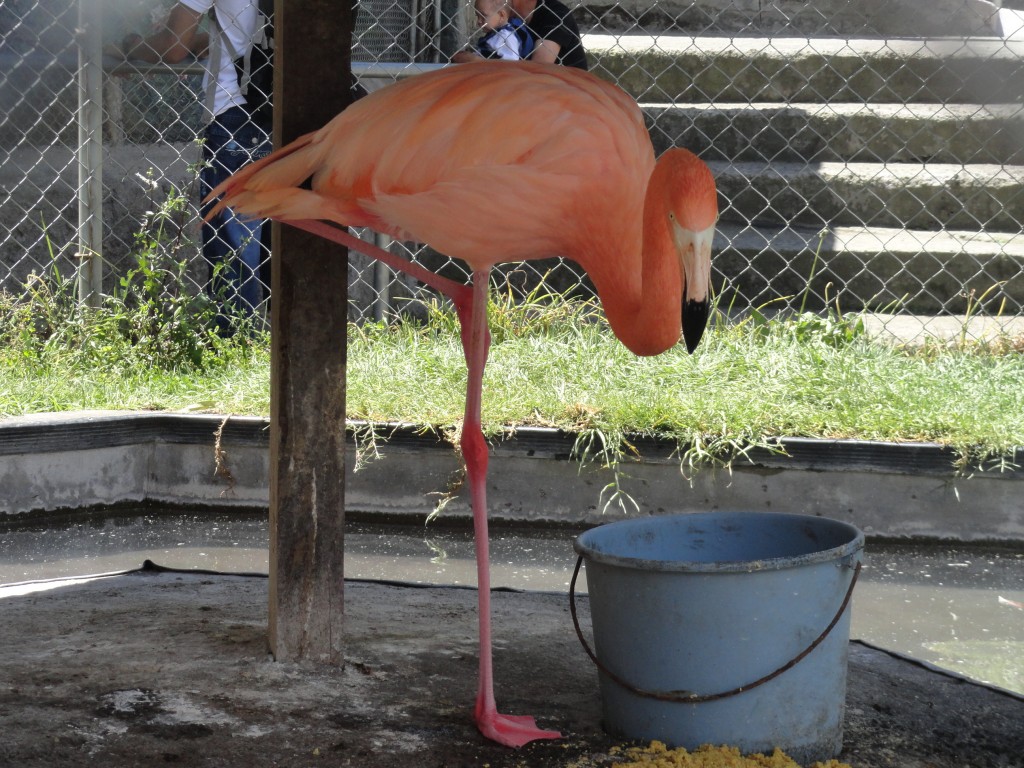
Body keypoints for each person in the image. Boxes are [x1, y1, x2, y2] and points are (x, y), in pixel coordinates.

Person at [115, 1, 271, 335]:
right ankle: (287, 338)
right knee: (289, 235)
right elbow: (241, 33)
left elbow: (174, 47)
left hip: (237, 114)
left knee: (235, 249)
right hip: (295, 110)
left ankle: (236, 344)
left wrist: (132, 46)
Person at [453, 0, 586, 70]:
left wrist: (479, 63)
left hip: (566, 94)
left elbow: (538, 69)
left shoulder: (555, 14)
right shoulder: (506, 20)